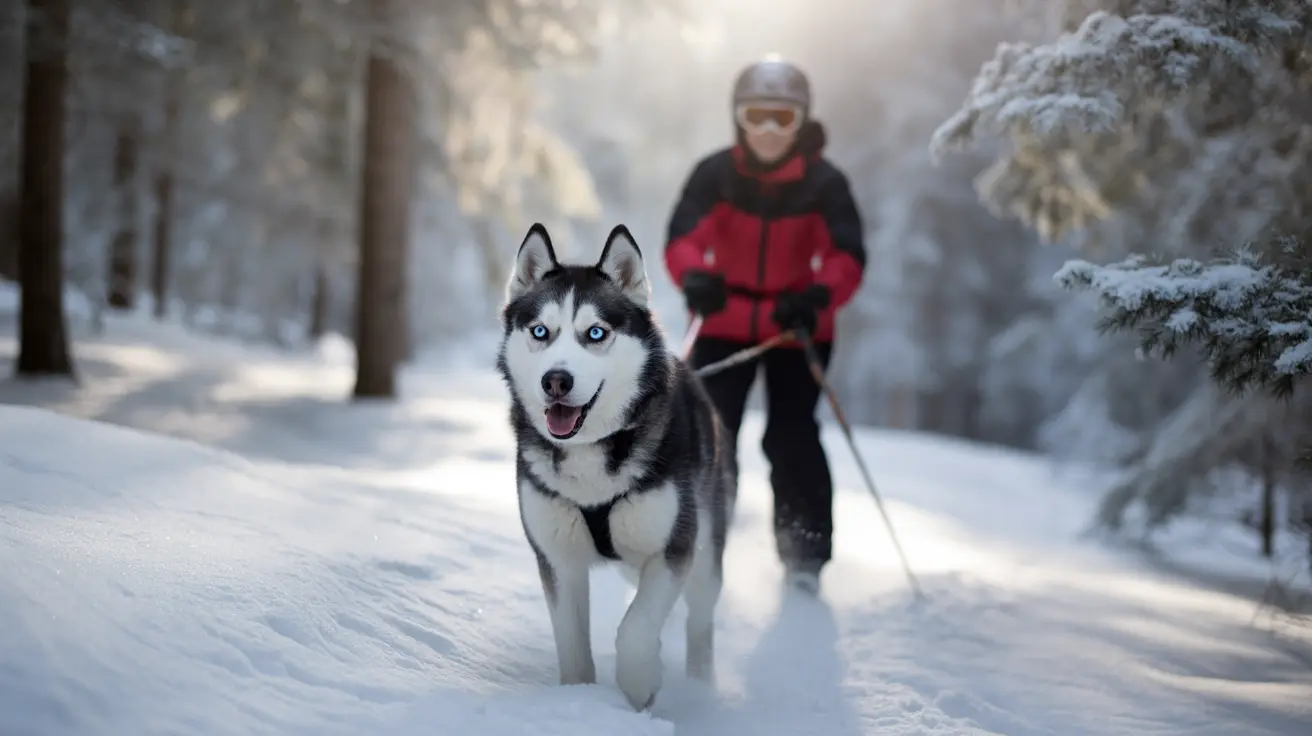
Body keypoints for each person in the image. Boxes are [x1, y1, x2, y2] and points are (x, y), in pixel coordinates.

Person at [663, 55, 867, 595]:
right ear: (738, 118)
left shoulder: (824, 183)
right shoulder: (715, 175)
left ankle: (804, 555)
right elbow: (682, 239)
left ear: (802, 121)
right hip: (722, 319)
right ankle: (699, 546)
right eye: (757, 116)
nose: (770, 130)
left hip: (794, 327)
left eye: (783, 117)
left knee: (791, 435)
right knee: (709, 433)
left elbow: (847, 255)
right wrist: (695, 276)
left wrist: (818, 296)